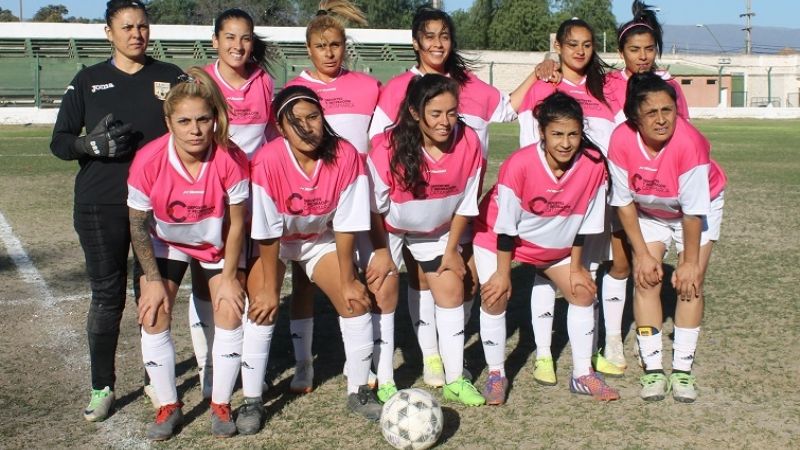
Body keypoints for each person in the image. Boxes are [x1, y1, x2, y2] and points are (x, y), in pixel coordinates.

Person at [368, 6, 529, 388]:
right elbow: (377, 144)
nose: (438, 43)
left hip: (454, 203)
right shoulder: (398, 90)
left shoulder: (470, 86)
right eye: (429, 36)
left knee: (456, 279)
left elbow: (507, 109)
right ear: (415, 42)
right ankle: (413, 360)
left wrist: (538, 75)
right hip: (401, 207)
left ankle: (444, 362)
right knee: (401, 281)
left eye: (444, 35)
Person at [49, 0, 183, 422]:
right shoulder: (88, 81)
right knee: (107, 297)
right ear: (109, 32)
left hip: (158, 206)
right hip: (100, 204)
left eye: (142, 26)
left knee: (152, 292)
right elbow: (59, 142)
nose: (136, 34)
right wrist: (88, 145)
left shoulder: (170, 77)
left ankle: (154, 378)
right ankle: (101, 387)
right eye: (126, 27)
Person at [128, 67, 250, 440]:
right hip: (167, 242)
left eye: (202, 119)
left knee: (230, 308)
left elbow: (238, 224)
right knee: (154, 310)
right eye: (184, 121)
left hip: (216, 245)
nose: (194, 129)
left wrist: (229, 277)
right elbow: (137, 225)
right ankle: (168, 405)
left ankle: (220, 403)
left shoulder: (231, 158)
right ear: (169, 122)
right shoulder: (148, 160)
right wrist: (151, 281)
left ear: (214, 120)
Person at [474, 92, 620, 404]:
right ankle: (497, 374)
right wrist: (503, 275)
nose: (566, 143)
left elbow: (586, 224)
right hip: (502, 239)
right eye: (557, 134)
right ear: (541, 132)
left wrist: (578, 266)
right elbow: (504, 226)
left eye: (573, 134)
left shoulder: (594, 165)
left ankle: (582, 375)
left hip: (554, 246)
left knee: (582, 291)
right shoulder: (519, 164)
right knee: (496, 296)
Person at [249, 85, 381, 421]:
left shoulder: (346, 155)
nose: (307, 127)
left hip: (317, 239)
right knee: (262, 307)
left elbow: (348, 223)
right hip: (275, 244)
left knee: (355, 301)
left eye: (313, 116)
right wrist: (267, 286)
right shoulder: (267, 160)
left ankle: (359, 390)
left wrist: (349, 279)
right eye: (295, 121)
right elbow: (266, 231)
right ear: (279, 128)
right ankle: (251, 400)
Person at [282, 1, 389, 398]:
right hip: (310, 202)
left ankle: (365, 362)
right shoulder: (296, 91)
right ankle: (303, 364)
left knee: (367, 278)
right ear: (308, 49)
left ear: (346, 46)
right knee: (304, 284)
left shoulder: (366, 86)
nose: (329, 52)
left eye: (336, 44)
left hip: (355, 200)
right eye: (321, 45)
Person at [179, 8, 277, 434]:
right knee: (209, 278)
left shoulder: (264, 82)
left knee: (252, 278)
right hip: (211, 196)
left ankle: (247, 368)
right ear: (215, 41)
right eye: (230, 38)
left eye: (246, 38)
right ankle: (210, 365)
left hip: (251, 196)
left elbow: (269, 137)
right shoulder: (200, 80)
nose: (239, 46)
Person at [516, 18, 623, 385]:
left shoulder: (608, 86)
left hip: (597, 196)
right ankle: (544, 355)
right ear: (558, 46)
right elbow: (530, 143)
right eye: (572, 44)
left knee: (587, 271)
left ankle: (587, 352)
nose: (580, 51)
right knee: (546, 272)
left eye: (587, 44)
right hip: (554, 199)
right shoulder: (546, 84)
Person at [368, 74, 485, 406]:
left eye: (451, 112)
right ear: (415, 112)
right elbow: (374, 208)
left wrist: (451, 251)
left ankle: (454, 379)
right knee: (384, 289)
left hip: (438, 231)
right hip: (387, 229)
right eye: (435, 113)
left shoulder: (470, 141)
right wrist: (381, 253)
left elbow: (466, 202)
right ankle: (386, 379)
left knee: (451, 288)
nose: (445, 122)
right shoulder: (386, 147)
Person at [608, 72, 726, 403]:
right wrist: (643, 255)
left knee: (691, 282)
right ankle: (653, 369)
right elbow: (623, 202)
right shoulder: (620, 140)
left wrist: (689, 263)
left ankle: (683, 370)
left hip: (696, 211)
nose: (662, 120)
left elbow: (693, 213)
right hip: (648, 212)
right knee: (645, 278)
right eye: (651, 113)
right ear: (634, 117)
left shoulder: (690, 143)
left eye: (668, 110)